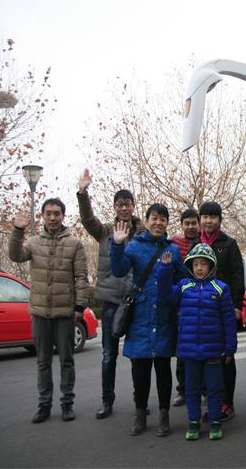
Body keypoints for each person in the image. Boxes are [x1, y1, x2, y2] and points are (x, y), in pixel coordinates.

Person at [9, 198, 89, 424]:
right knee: (43, 362)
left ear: (63, 215)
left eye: (57, 213)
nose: (53, 218)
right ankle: (44, 405)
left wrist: (79, 306)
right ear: (43, 216)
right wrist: (17, 231)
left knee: (67, 361)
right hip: (40, 313)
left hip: (65, 314)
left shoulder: (75, 244)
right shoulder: (33, 242)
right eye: (49, 213)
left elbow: (81, 278)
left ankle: (67, 404)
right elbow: (15, 256)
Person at [110, 203, 185, 437]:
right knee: (140, 370)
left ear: (167, 223)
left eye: (163, 219)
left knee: (163, 368)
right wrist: (117, 245)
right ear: (147, 220)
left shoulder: (173, 250)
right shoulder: (134, 246)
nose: (158, 222)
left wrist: (177, 296)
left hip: (163, 317)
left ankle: (164, 415)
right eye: (154, 218)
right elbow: (119, 270)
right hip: (140, 317)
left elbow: (182, 280)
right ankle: (140, 414)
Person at [76, 168, 145, 419]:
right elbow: (87, 220)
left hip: (135, 301)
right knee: (109, 355)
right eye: (120, 204)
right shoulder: (105, 231)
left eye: (128, 204)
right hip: (111, 302)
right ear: (115, 207)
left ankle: (140, 402)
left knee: (138, 356)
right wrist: (83, 193)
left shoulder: (143, 233)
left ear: (133, 206)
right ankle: (107, 401)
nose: (124, 208)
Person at [158, 243, 237, 440]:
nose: (199, 268)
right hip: (189, 350)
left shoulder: (221, 288)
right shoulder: (184, 286)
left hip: (213, 351)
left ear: (211, 266)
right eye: (195, 264)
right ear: (190, 267)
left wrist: (230, 348)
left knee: (214, 388)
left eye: (203, 263)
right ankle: (193, 422)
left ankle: (215, 422)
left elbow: (228, 320)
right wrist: (165, 270)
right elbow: (166, 294)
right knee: (191, 389)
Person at [193, 201, 244, 421]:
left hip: (224, 310)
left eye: (213, 217)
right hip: (202, 311)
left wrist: (236, 305)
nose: (208, 221)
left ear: (220, 221)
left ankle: (227, 403)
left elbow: (237, 275)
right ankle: (212, 398)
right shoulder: (196, 244)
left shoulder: (229, 244)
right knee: (206, 355)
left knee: (226, 357)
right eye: (205, 216)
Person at [170, 208, 200, 407]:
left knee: (204, 350)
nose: (190, 227)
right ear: (181, 225)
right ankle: (183, 390)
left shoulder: (204, 243)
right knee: (183, 350)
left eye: (193, 223)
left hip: (202, 304)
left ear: (198, 224)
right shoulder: (173, 244)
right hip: (181, 306)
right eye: (186, 223)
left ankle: (204, 390)